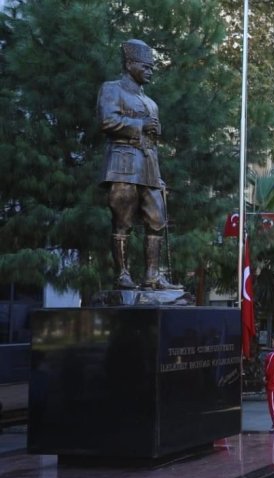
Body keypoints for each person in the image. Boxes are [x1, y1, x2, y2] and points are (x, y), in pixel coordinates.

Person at [98, 40, 182, 291]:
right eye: (146, 66)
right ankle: (123, 274)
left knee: (157, 220)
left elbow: (153, 141)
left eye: (153, 67)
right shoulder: (112, 89)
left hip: (149, 167)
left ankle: (152, 276)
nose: (151, 71)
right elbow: (107, 121)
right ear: (130, 64)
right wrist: (139, 126)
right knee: (122, 220)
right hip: (123, 163)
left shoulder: (151, 102)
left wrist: (159, 175)